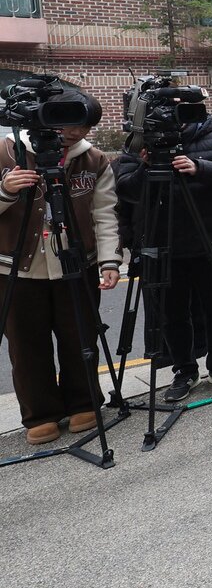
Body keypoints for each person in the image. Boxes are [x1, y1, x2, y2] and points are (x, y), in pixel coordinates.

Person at [0, 90, 120, 445]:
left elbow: (104, 213)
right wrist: (5, 191)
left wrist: (110, 260)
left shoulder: (94, 160)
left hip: (78, 263)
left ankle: (83, 403)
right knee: (26, 343)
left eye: (85, 126)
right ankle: (40, 415)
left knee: (80, 336)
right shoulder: (6, 151)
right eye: (69, 123)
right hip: (17, 269)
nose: (76, 132)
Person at [114, 110, 212, 401]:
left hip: (210, 239)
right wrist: (146, 167)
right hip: (161, 243)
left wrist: (200, 167)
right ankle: (185, 370)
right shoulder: (139, 144)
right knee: (171, 314)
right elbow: (125, 190)